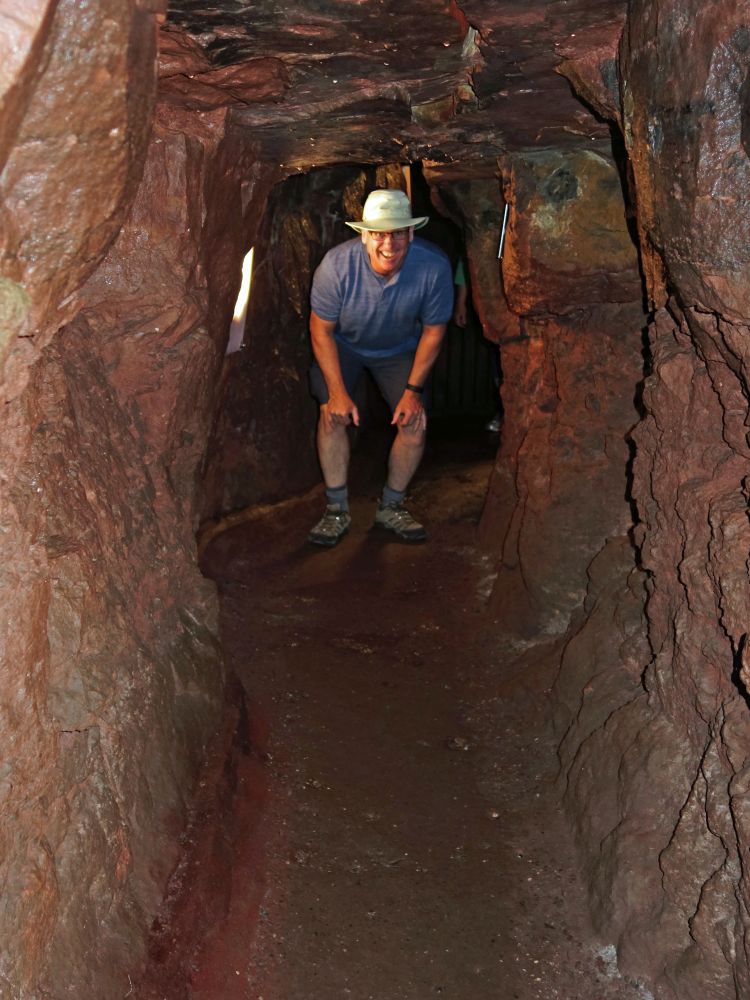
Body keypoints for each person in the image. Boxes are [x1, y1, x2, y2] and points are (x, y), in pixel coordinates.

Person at [307, 188, 453, 547]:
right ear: (364, 235)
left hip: (400, 348)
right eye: (378, 234)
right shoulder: (336, 266)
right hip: (344, 345)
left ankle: (392, 506)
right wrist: (338, 393)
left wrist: (412, 393)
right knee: (331, 415)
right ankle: (336, 509)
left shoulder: (432, 266)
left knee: (414, 422)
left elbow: (434, 331)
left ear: (411, 233)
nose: (389, 243)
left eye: (398, 232)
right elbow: (320, 330)